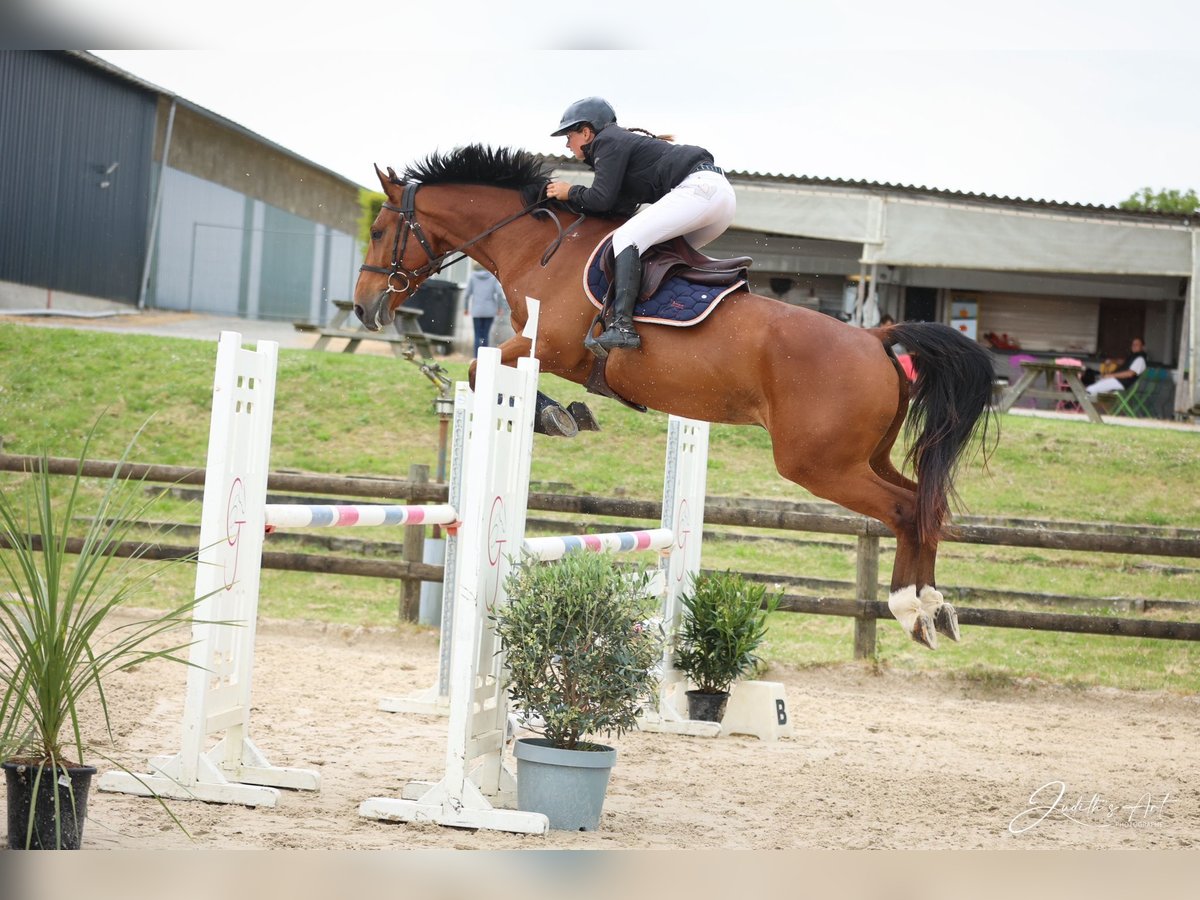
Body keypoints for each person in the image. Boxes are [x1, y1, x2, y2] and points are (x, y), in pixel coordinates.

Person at [544, 96, 737, 353]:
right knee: (658, 256)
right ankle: (669, 318)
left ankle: (622, 327)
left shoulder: (607, 142)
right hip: (718, 199)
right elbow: (615, 206)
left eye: (569, 136)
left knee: (625, 239)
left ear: (587, 132)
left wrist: (570, 192)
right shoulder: (619, 146)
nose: (567, 144)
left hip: (699, 191)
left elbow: (600, 199)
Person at [462, 268, 507, 357]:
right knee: (485, 334)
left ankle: (476, 357)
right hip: (489, 311)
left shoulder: (472, 277)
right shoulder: (492, 278)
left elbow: (466, 295)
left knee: (477, 335)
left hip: (477, 311)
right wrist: (499, 308)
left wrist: (466, 308)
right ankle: (483, 358)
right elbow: (499, 294)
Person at [1082, 337, 1147, 396]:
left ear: (1143, 347)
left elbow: (1130, 374)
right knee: (1092, 383)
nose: (1133, 346)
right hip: (1117, 381)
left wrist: (1111, 375)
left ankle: (1081, 405)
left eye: (1137, 344)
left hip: (1121, 382)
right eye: (1133, 344)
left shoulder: (1140, 359)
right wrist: (1112, 361)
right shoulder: (1134, 356)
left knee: (1091, 389)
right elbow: (1122, 362)